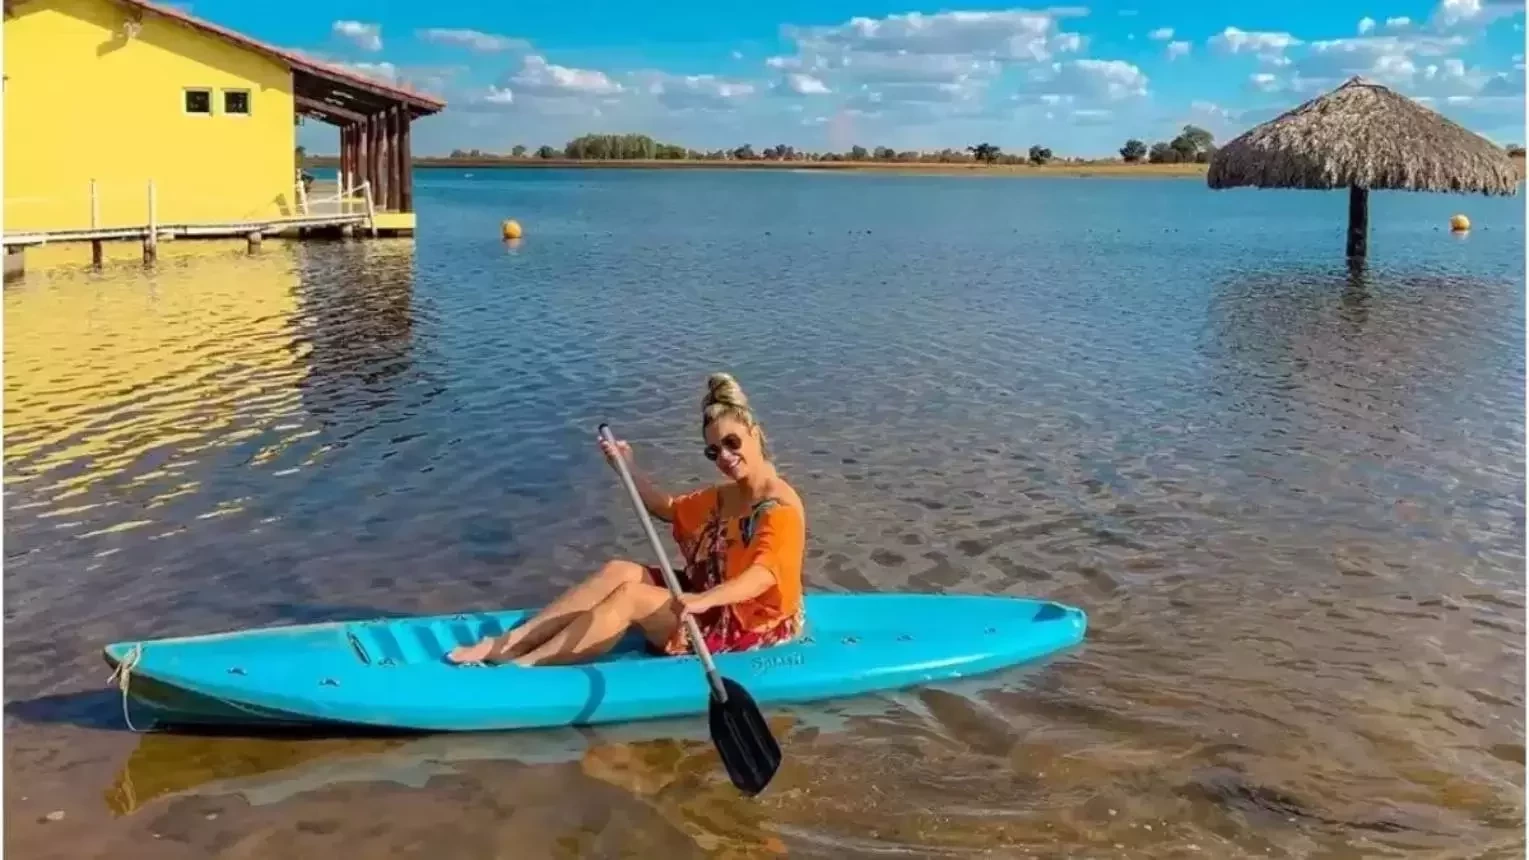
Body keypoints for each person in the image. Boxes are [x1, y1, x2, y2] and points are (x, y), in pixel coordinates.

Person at [447, 373, 806, 667]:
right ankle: (508, 645)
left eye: (732, 442)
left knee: (632, 597)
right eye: (714, 451)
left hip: (751, 623)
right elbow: (668, 509)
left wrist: (703, 601)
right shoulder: (729, 493)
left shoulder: (779, 507)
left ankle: (527, 667)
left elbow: (762, 576)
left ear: (754, 433)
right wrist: (627, 468)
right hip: (713, 596)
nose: (725, 456)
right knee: (621, 570)